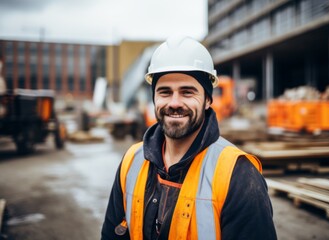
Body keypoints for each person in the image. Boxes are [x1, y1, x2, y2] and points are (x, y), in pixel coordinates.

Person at [101, 35, 277, 240]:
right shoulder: (132, 162)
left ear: (208, 100)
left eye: (187, 92)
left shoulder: (238, 175)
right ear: (154, 98)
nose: (174, 102)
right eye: (165, 92)